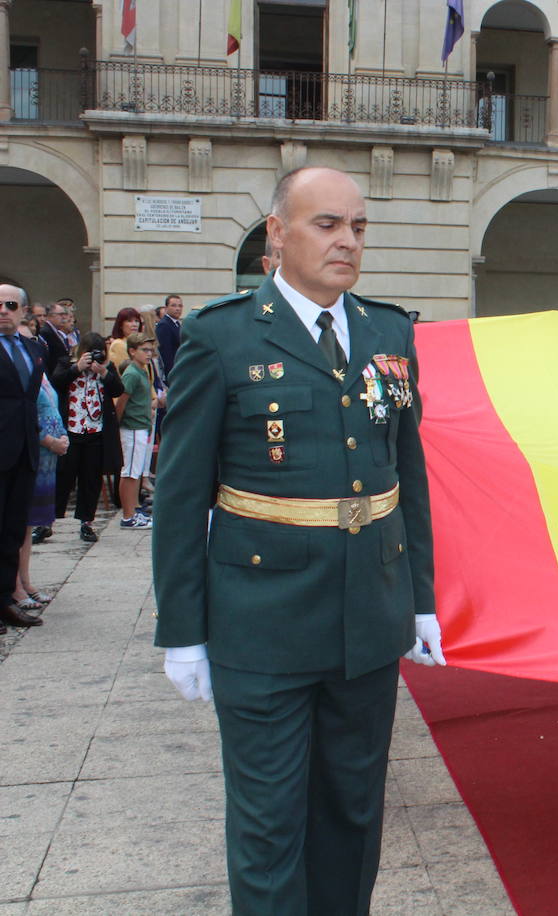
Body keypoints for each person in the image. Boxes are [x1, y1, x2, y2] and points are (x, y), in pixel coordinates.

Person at [152, 166, 443, 914]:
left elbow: (405, 473)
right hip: (261, 624)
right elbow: (182, 497)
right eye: (326, 224)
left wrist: (421, 602)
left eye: (357, 226)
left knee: (352, 815)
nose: (346, 241)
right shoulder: (221, 336)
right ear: (277, 235)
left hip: (367, 623)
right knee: (269, 825)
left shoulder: (389, 330)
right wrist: (182, 631)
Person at [0, 285, 48, 632]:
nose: (3, 310)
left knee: (13, 529)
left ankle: (6, 599)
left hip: (24, 450)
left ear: (24, 310)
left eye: (10, 305)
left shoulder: (33, 348)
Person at [53, 333, 124, 544]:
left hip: (96, 432)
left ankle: (86, 522)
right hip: (70, 432)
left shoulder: (106, 367)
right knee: (62, 477)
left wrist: (103, 372)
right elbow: (56, 381)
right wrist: (77, 368)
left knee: (91, 480)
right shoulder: (67, 363)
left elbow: (118, 389)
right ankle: (47, 523)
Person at [13, 374, 66, 607]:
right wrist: (49, 441)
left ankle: (25, 581)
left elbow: (52, 405)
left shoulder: (38, 369)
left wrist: (62, 434)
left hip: (46, 459)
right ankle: (14, 585)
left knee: (28, 524)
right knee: (16, 522)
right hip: (31, 451)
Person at [115, 332, 159, 530]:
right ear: (132, 351)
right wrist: (117, 424)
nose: (149, 354)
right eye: (144, 350)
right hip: (132, 427)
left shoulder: (143, 369)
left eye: (151, 350)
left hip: (141, 426)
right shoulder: (132, 373)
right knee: (130, 473)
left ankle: (133, 509)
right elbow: (122, 401)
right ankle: (128, 515)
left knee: (136, 471)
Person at [157, 294, 185, 373]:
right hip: (172, 370)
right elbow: (166, 352)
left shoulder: (177, 323)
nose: (177, 309)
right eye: (173, 306)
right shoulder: (164, 325)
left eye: (180, 306)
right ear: (166, 308)